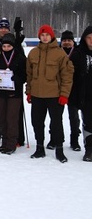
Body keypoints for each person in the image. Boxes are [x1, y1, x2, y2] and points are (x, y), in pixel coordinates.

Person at [26, 24, 74, 163]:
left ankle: (59, 150)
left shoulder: (60, 54)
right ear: (39, 37)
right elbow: (29, 75)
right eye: (42, 35)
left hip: (54, 96)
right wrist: (29, 92)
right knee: (37, 123)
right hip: (37, 95)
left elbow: (67, 76)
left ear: (51, 36)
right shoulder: (33, 53)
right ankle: (40, 148)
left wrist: (64, 95)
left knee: (56, 124)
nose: (45, 37)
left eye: (47, 35)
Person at [0, 33, 26, 155]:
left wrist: (17, 78)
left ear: (13, 46)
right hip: (0, 93)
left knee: (11, 118)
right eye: (4, 46)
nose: (6, 48)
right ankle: (4, 142)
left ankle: (11, 144)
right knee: (2, 118)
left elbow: (25, 76)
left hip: (14, 94)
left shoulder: (20, 58)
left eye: (8, 46)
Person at [69, 26, 92, 162]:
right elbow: (70, 73)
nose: (91, 41)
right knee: (88, 123)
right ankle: (89, 149)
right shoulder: (78, 53)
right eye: (89, 38)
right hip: (84, 95)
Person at [58, 30, 81, 151]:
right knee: (56, 116)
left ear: (73, 42)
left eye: (69, 41)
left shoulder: (78, 53)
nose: (66, 43)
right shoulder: (56, 53)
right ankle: (56, 139)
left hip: (74, 90)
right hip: (58, 89)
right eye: (64, 41)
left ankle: (75, 140)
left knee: (74, 117)